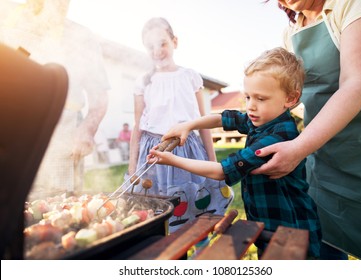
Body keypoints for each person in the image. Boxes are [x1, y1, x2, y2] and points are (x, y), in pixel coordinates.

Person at [148, 47, 322, 259]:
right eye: (247, 97)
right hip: (266, 224)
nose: (250, 106)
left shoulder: (279, 136)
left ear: (290, 99)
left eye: (261, 98)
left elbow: (223, 171)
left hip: (291, 228)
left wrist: (172, 160)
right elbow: (222, 118)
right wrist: (189, 125)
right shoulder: (260, 120)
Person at [250, 0, 361, 260]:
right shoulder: (290, 33)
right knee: (323, 242)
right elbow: (290, 97)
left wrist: (298, 148)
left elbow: (359, 82)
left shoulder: (358, 4)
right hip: (322, 158)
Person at [127, 17, 234, 233]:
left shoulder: (190, 76)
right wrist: (132, 169)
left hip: (187, 150)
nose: (157, 50)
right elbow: (138, 126)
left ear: (174, 41)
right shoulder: (143, 81)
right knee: (156, 211)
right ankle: (167, 251)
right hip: (153, 153)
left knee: (196, 209)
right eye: (150, 46)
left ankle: (198, 243)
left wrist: (212, 162)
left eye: (162, 43)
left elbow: (203, 122)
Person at [0, 0, 110, 195]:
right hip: (12, 132)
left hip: (64, 138)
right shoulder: (11, 23)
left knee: (60, 207)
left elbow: (100, 94)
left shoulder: (81, 37)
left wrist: (87, 129)